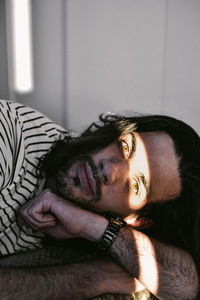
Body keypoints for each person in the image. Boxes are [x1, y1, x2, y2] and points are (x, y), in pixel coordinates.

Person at [0, 99, 199, 299]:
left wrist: (94, 227)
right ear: (113, 127)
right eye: (125, 147)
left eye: (135, 186)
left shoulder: (85, 228)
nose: (110, 169)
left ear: (137, 220)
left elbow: (186, 287)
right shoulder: (11, 140)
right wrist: (97, 277)